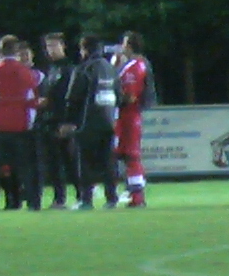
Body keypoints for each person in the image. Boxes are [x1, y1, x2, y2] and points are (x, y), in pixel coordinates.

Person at [0, 35, 41, 212]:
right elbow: (32, 101)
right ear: (17, 51)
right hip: (20, 125)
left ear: (0, 51)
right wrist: (29, 124)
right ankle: (33, 202)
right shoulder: (25, 72)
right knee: (25, 166)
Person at [62, 35, 120, 210]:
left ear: (84, 50)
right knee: (108, 161)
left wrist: (69, 121)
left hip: (87, 121)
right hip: (108, 121)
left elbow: (73, 97)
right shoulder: (110, 68)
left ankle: (86, 199)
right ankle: (112, 198)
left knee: (85, 162)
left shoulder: (84, 69)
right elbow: (119, 95)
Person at [36, 33, 79, 208]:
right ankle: (59, 198)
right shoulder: (50, 70)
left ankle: (82, 195)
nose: (51, 50)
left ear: (63, 46)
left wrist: (69, 121)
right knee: (54, 163)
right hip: (50, 121)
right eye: (48, 46)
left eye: (54, 45)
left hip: (64, 121)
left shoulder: (69, 69)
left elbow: (71, 97)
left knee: (71, 162)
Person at [116, 32, 152, 207]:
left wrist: (115, 98)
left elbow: (130, 96)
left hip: (128, 116)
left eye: (123, 43)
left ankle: (137, 196)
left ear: (129, 46)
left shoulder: (135, 66)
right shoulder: (131, 64)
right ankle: (133, 193)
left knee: (131, 155)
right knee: (125, 155)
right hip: (126, 116)